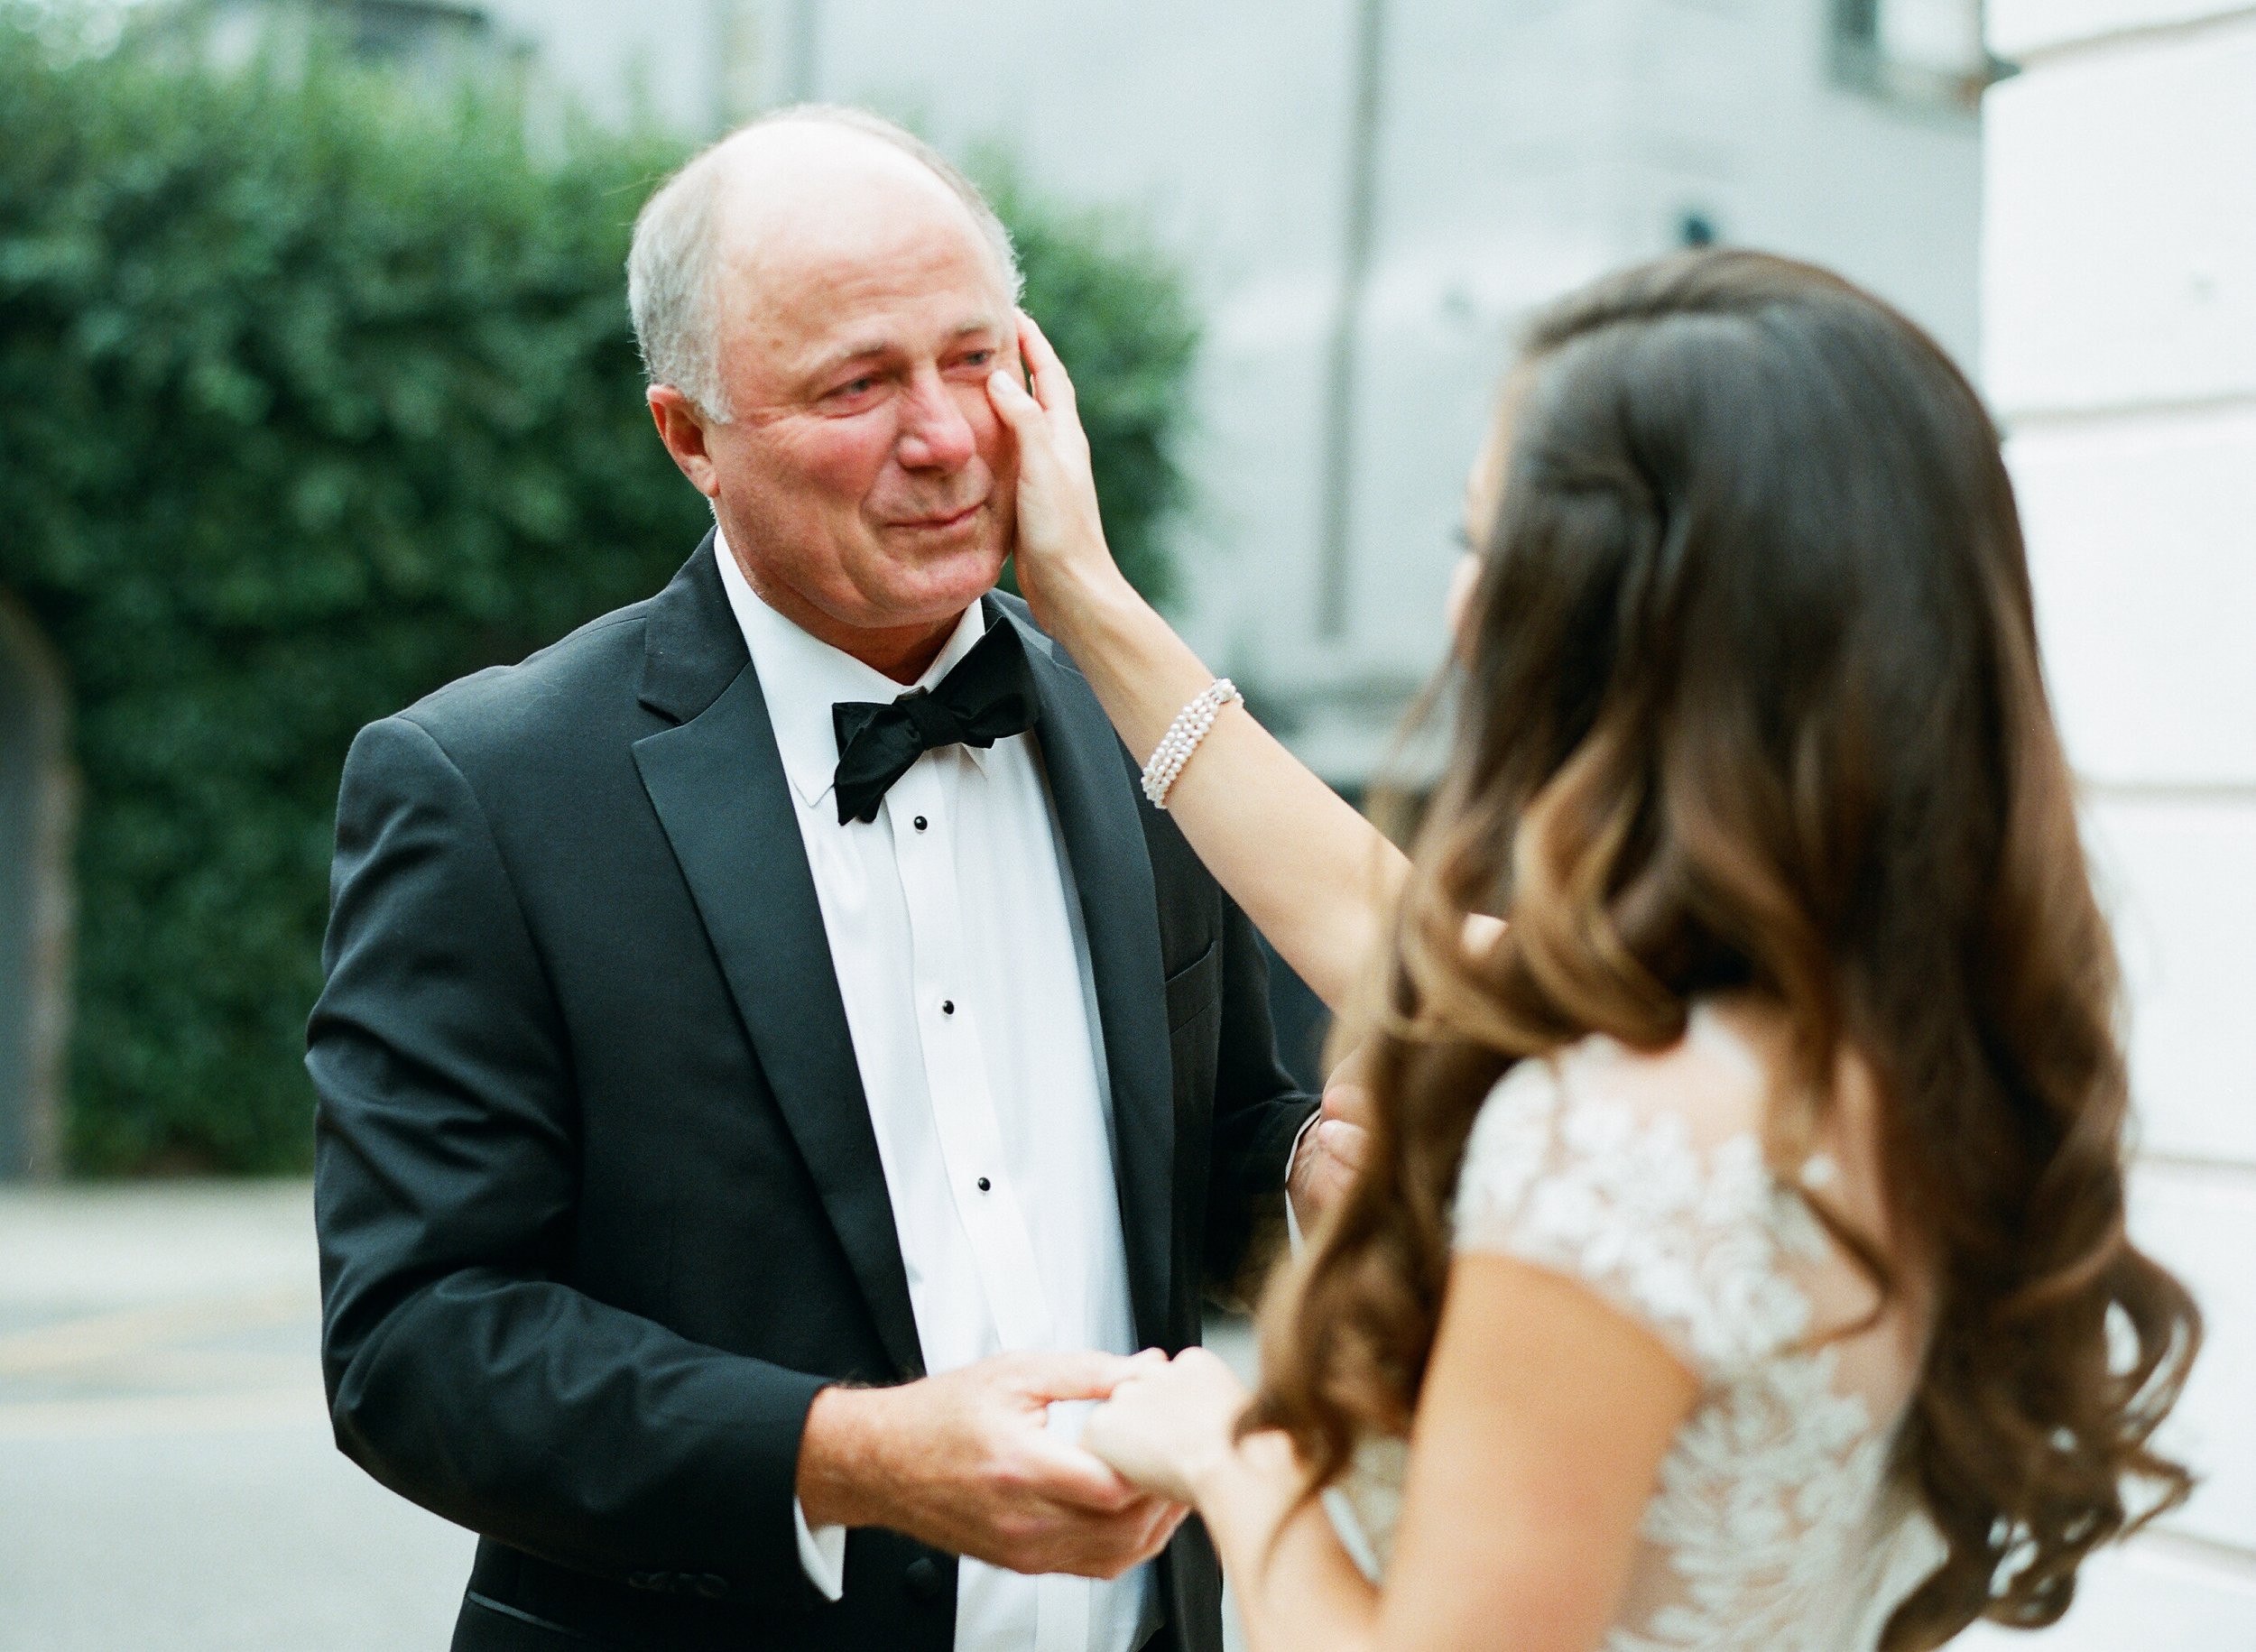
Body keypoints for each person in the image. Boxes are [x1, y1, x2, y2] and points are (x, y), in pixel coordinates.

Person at [984, 250, 2202, 1651]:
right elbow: (1370, 920)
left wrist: (1231, 1451)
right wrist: (1082, 595)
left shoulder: (1605, 1137)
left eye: (1481, 545)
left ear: (1608, 614)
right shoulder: (1903, 1034)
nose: (1462, 602)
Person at [307, 107, 1360, 1652]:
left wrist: (1302, 1186)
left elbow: (1216, 1151)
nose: (942, 436)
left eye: (974, 358)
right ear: (690, 437)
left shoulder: (1156, 736)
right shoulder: (488, 788)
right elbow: (414, 1343)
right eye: (856, 385)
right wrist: (846, 1458)